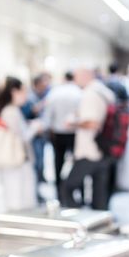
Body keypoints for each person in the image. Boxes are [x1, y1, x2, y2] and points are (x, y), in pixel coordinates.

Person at [61, 68, 115, 210]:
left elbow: (93, 123)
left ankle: (77, 220)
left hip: (90, 150)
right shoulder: (103, 92)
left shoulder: (90, 95)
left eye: (76, 77)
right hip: (103, 149)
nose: (75, 81)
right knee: (99, 194)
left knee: (68, 187)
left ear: (86, 76)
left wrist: (72, 123)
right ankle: (99, 224)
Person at [0, 77, 41, 211]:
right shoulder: (10, 111)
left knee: (20, 198)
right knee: (17, 200)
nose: (26, 96)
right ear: (14, 92)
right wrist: (35, 127)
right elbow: (22, 137)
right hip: (15, 162)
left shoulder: (12, 110)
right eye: (23, 92)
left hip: (19, 162)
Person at [43, 71, 82, 201]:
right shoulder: (79, 92)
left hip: (58, 133)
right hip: (74, 133)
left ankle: (58, 193)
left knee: (58, 163)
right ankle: (78, 192)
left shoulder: (55, 92)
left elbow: (48, 115)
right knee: (77, 163)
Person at [22, 73, 52, 202]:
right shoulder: (29, 98)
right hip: (33, 136)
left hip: (41, 134)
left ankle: (38, 189)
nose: (45, 85)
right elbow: (25, 116)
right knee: (35, 165)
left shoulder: (46, 94)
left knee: (40, 163)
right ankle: (34, 192)